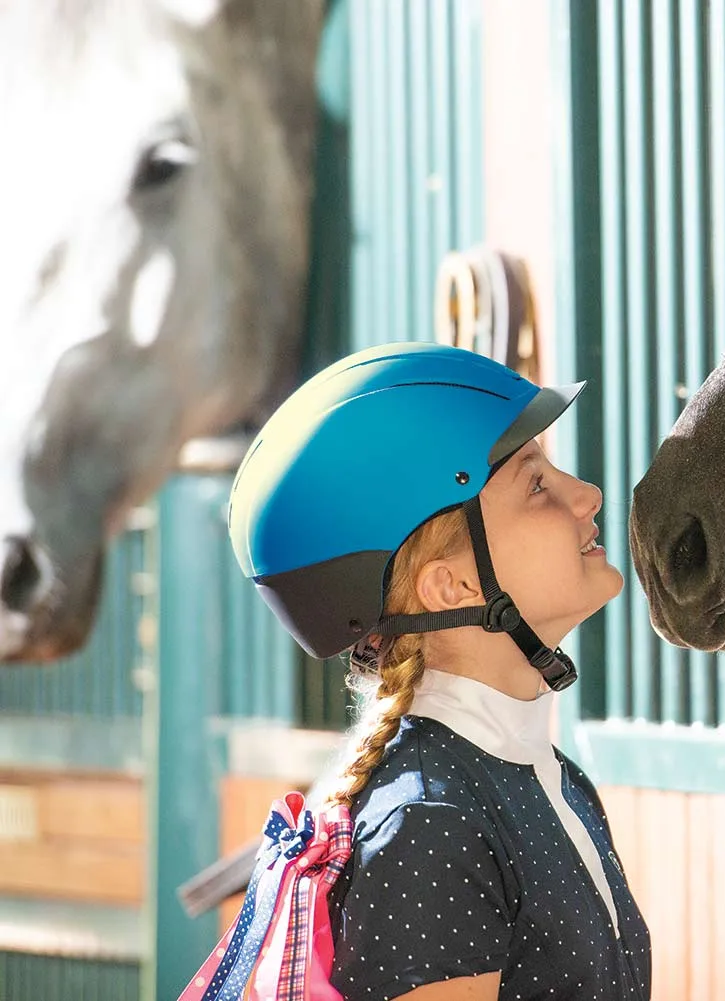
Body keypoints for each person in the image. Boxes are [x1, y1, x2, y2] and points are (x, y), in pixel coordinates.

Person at [183, 342, 650, 1001]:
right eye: (537, 483)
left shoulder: (549, 779)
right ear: (451, 584)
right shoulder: (431, 826)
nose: (588, 495)